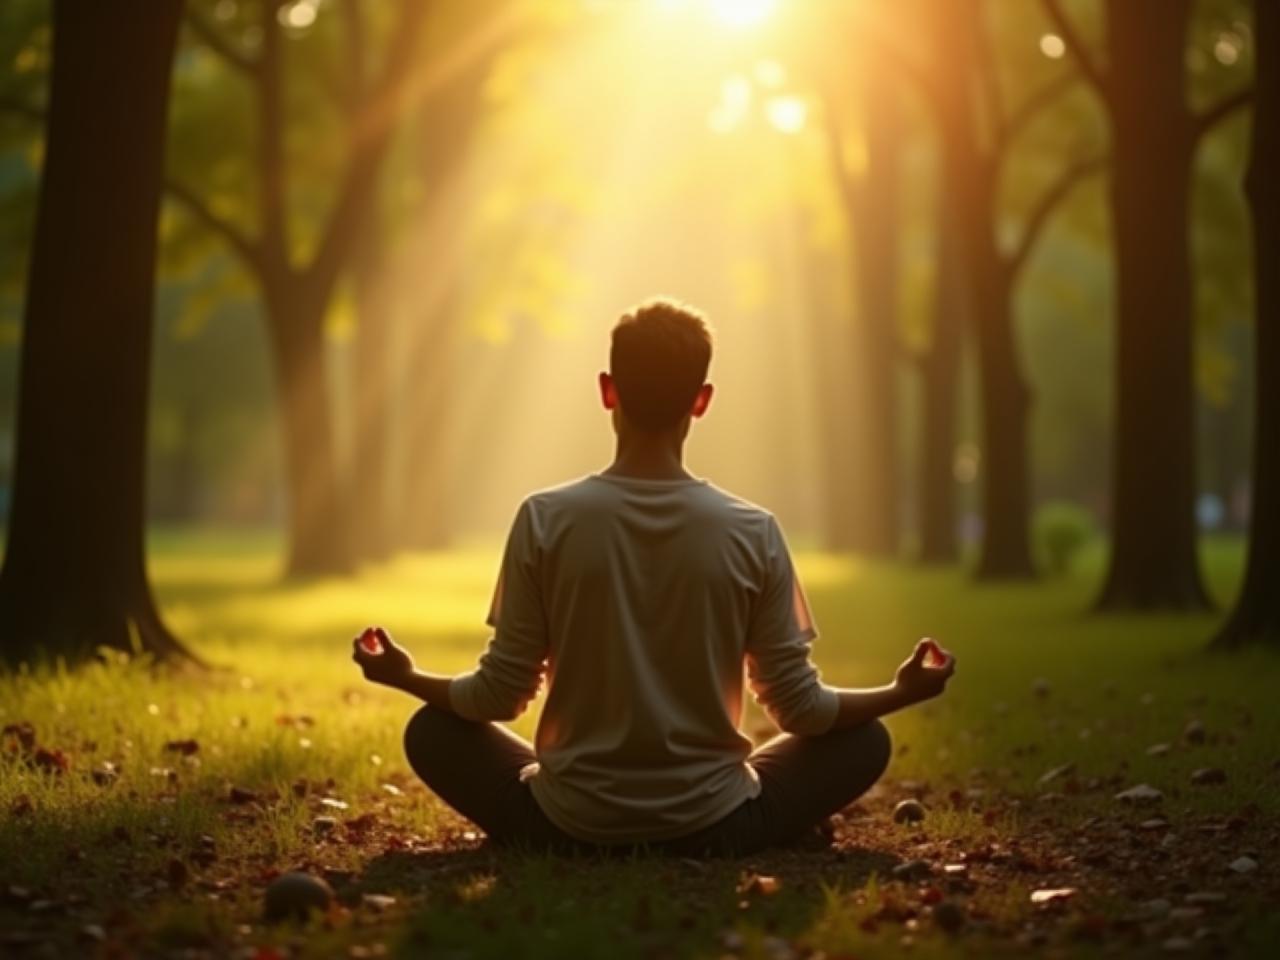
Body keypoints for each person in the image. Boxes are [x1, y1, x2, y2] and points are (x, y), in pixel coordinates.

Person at [352, 298, 956, 856]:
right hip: (719, 823)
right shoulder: (754, 530)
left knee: (434, 730)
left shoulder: (545, 518)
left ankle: (568, 831)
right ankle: (747, 826)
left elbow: (499, 698)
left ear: (607, 391)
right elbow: (800, 710)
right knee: (866, 739)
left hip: (565, 822)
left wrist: (405, 676)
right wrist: (901, 692)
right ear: (702, 400)